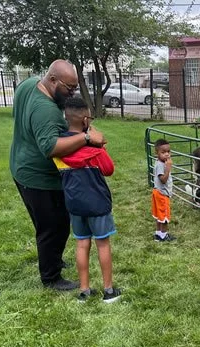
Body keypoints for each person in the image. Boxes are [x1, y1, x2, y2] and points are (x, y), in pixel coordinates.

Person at [10, 59, 106, 290]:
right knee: (54, 226)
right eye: (69, 88)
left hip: (20, 167)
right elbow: (51, 147)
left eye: (75, 87)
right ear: (52, 80)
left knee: (44, 222)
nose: (72, 92)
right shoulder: (48, 112)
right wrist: (86, 138)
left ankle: (52, 258)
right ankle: (51, 277)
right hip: (38, 178)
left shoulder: (28, 84)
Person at [53, 97, 122, 303]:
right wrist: (100, 145)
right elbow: (109, 169)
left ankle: (84, 291)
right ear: (85, 120)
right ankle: (108, 291)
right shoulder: (94, 147)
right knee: (103, 244)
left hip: (74, 204)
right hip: (98, 204)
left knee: (82, 244)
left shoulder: (60, 147)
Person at [151, 139, 176, 242]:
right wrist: (168, 168)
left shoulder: (160, 163)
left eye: (168, 152)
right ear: (157, 153)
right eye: (163, 152)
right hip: (162, 194)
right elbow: (163, 179)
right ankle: (163, 235)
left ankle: (158, 234)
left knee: (159, 215)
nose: (166, 154)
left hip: (158, 192)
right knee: (164, 216)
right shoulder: (161, 165)